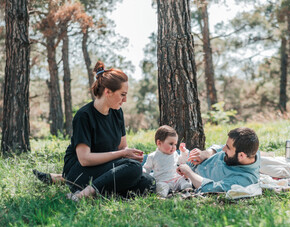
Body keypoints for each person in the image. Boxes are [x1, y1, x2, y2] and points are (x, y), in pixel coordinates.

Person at [34, 61, 155, 200]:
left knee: (148, 182)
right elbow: (85, 159)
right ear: (108, 92)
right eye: (122, 94)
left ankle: (97, 191)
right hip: (79, 169)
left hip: (105, 168)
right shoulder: (84, 116)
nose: (125, 100)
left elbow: (122, 147)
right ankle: (82, 194)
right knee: (133, 169)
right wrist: (123, 155)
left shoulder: (117, 113)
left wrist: (129, 154)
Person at [176, 127, 260, 193]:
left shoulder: (243, 180)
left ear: (241, 155)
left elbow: (211, 188)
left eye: (228, 148)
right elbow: (220, 147)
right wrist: (205, 154)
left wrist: (189, 173)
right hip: (184, 157)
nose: (223, 149)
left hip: (183, 178)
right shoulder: (249, 148)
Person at [143, 125, 192, 197]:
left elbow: (181, 161)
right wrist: (143, 171)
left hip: (176, 179)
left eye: (175, 144)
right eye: (171, 144)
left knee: (184, 180)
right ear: (159, 143)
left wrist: (184, 152)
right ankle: (162, 196)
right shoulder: (153, 156)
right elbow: (147, 168)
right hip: (163, 181)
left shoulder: (174, 154)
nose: (174, 147)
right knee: (161, 187)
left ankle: (187, 191)